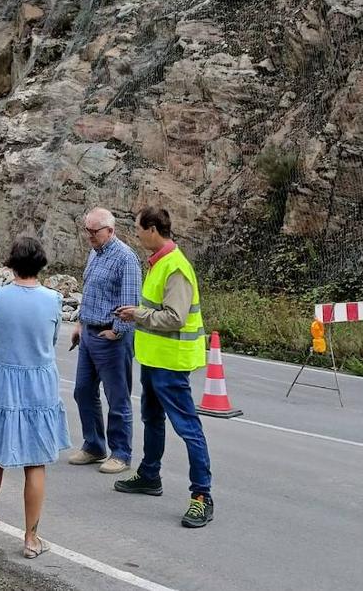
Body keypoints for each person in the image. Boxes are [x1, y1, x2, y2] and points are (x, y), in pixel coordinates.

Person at [0, 236, 70, 559]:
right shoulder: (53, 299)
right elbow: (50, 338)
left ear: (11, 264)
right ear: (41, 264)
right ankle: (31, 538)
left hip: (4, 380)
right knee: (36, 462)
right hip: (40, 381)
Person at [112, 206, 213, 528]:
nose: (137, 234)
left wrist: (137, 315)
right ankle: (149, 475)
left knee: (188, 428)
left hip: (172, 362)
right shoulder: (158, 263)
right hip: (155, 359)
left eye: (139, 228)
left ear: (153, 229)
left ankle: (202, 496)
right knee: (152, 419)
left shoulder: (175, 267)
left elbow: (175, 317)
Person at [69, 207, 142, 475]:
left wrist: (117, 331)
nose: (89, 235)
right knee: (83, 391)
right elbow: (89, 291)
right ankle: (94, 446)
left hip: (111, 337)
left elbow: (132, 300)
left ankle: (121, 453)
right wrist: (80, 323)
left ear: (110, 231)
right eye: (86, 230)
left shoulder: (125, 258)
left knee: (117, 397)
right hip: (89, 333)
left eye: (93, 231)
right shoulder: (94, 253)